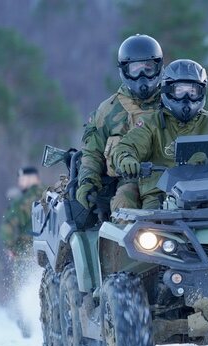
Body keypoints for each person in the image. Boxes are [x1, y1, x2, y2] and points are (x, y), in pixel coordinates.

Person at [112, 59, 208, 209]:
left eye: (192, 91)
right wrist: (127, 159)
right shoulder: (150, 124)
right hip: (162, 198)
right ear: (167, 90)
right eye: (179, 91)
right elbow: (128, 146)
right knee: (147, 229)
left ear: (202, 92)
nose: (186, 98)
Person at [75, 34, 164, 213]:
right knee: (123, 205)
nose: (142, 76)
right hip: (129, 182)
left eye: (148, 68)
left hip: (170, 179)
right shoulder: (108, 110)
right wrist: (88, 182)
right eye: (135, 69)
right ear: (124, 70)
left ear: (158, 67)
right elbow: (92, 153)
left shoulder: (172, 102)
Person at [0, 166, 46, 337]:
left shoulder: (22, 201)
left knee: (23, 292)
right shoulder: (49, 194)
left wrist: (11, 248)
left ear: (28, 178)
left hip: (25, 255)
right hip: (49, 253)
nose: (19, 183)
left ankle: (28, 331)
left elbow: (8, 227)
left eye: (21, 179)